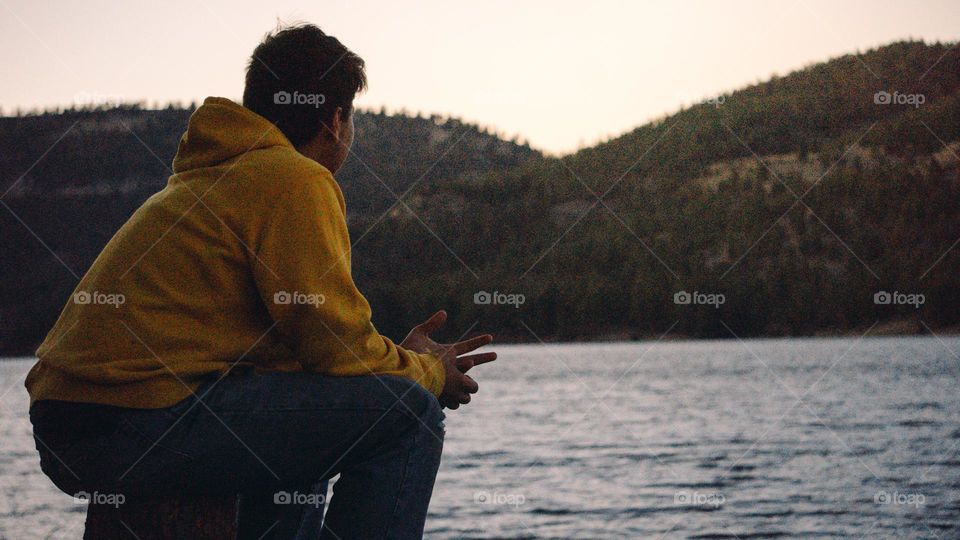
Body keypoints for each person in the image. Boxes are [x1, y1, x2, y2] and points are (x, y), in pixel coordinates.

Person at [26, 23, 496, 539]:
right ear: (336, 121)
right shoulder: (294, 178)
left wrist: (394, 363)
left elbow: (316, 357)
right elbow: (334, 348)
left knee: (319, 431)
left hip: (75, 421)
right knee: (410, 416)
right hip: (129, 419)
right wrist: (426, 374)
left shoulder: (213, 177)